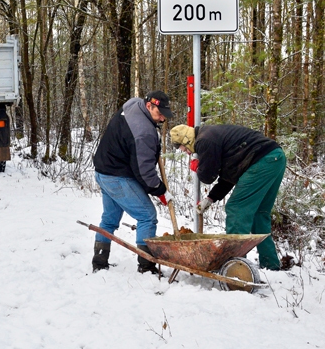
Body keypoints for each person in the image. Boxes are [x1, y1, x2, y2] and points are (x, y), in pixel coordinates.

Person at [169, 123, 286, 270]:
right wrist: (210, 198)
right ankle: (271, 265)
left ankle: (235, 266)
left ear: (187, 140)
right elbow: (229, 175)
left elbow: (208, 176)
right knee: (259, 214)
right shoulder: (212, 135)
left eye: (185, 149)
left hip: (261, 161)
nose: (187, 152)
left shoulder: (204, 140)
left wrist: (198, 168)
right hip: (275, 158)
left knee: (236, 208)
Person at [92, 91, 173, 274]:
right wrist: (160, 190)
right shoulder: (143, 133)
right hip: (117, 177)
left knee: (109, 219)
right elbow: (144, 172)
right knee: (147, 216)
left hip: (103, 172)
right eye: (159, 113)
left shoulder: (133, 104)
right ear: (148, 106)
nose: (161, 118)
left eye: (164, 115)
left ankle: (99, 261)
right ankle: (146, 265)